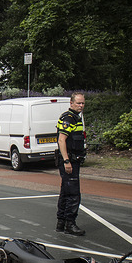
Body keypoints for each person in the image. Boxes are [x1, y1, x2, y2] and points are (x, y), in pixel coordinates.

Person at [56, 92, 87, 236]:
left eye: (83, 103)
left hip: (73, 160)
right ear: (71, 103)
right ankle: (70, 223)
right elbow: (61, 140)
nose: (81, 106)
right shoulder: (69, 118)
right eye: (78, 103)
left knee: (65, 192)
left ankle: (61, 223)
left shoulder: (76, 118)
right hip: (69, 161)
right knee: (73, 194)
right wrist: (67, 160)